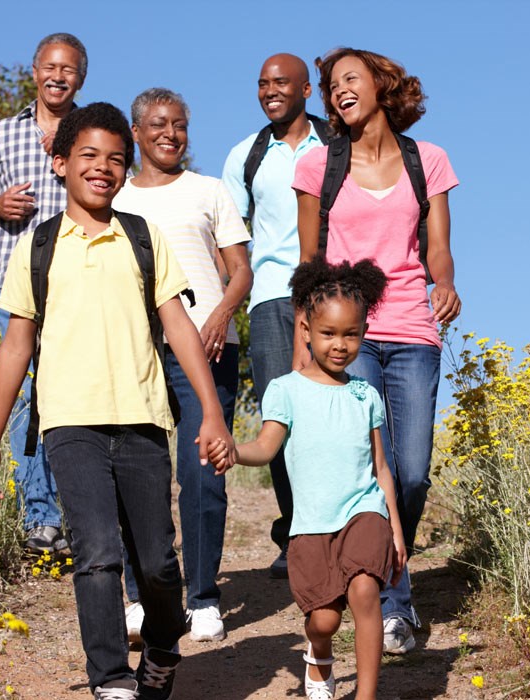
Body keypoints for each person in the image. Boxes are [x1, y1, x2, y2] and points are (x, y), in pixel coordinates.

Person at [0, 102, 237, 700]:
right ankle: (112, 681)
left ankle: (164, 648)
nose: (103, 168)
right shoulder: (37, 248)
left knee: (159, 565)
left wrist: (213, 411)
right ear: (60, 162)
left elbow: (178, 327)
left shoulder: (143, 240)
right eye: (89, 156)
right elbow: (15, 349)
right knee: (95, 554)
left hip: (143, 421)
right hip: (69, 425)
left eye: (116, 159)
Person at [293, 48, 461, 654]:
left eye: (350, 79)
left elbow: (437, 247)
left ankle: (381, 572)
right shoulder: (318, 166)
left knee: (412, 472)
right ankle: (393, 600)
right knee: (372, 467)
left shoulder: (429, 161)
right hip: (347, 333)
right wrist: (302, 348)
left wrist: (444, 282)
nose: (338, 91)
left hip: (414, 328)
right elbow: (309, 264)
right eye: (332, 85)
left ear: (382, 86)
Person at [208, 256, 405, 700]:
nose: (340, 344)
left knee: (365, 591)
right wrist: (235, 452)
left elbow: (381, 469)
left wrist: (393, 525)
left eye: (351, 334)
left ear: (363, 334)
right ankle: (319, 651)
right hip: (313, 524)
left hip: (363, 512)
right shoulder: (287, 390)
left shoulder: (365, 395)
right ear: (306, 332)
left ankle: (367, 695)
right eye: (329, 333)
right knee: (325, 620)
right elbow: (266, 447)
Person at [113, 87, 252, 643]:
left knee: (202, 472)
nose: (171, 134)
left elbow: (239, 269)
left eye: (180, 125)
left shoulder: (210, 191)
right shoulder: (116, 197)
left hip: (211, 348)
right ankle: (140, 597)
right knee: (137, 476)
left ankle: (202, 598)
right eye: (159, 125)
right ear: (138, 133)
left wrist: (219, 314)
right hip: (137, 351)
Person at [0, 32, 88, 553]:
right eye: (50, 67)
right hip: (15, 279)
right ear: (35, 71)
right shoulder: (0, 134)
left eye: (69, 69)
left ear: (82, 76)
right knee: (26, 393)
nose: (58, 76)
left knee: (76, 395)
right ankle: (41, 519)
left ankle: (81, 514)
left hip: (81, 278)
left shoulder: (91, 130)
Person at [222, 53, 329, 578]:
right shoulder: (246, 155)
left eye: (281, 82)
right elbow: (226, 231)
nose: (270, 91)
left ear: (306, 90)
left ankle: (343, 532)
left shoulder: (339, 144)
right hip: (269, 299)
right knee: (280, 417)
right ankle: (295, 533)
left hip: (335, 299)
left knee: (338, 413)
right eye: (262, 83)